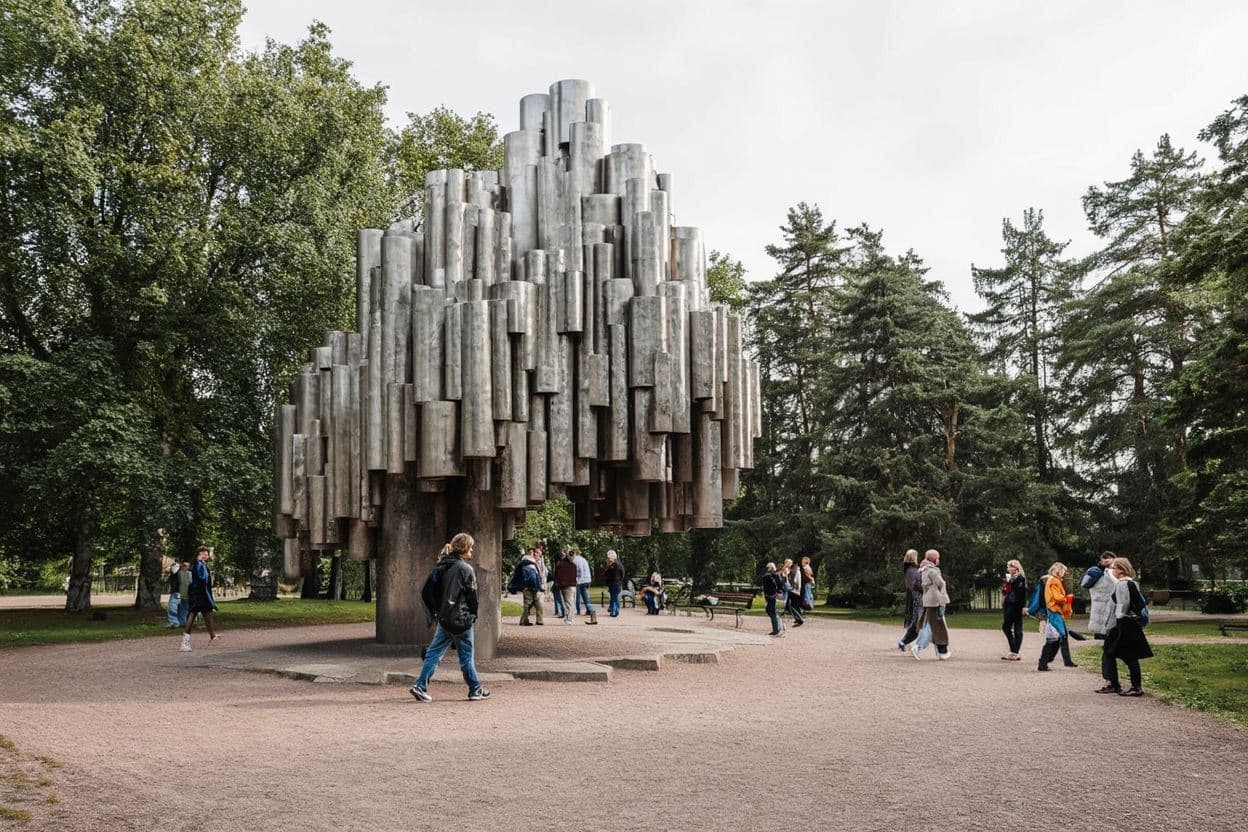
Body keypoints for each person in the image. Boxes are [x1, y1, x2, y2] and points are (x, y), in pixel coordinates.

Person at [409, 532, 489, 702]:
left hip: (444, 620)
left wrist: (436, 612)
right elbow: (472, 597)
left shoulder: (441, 565)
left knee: (434, 653)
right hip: (461, 620)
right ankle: (475, 690)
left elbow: (426, 592)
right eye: (471, 547)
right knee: (466, 657)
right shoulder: (466, 569)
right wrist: (473, 614)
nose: (472, 551)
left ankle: (420, 685)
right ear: (464, 548)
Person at [1097, 557, 1153, 697]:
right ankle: (1127, 685)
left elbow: (1123, 604)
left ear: (1121, 570)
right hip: (1129, 623)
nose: (1112, 570)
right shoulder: (1132, 583)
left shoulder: (1122, 584)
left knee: (1116, 653)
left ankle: (1126, 686)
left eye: (1114, 567)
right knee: (1124, 655)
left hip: (1123, 623)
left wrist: (1118, 619)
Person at [1036, 562, 1078, 671]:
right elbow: (1056, 597)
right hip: (1054, 611)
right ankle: (1044, 662)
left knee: (1057, 637)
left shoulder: (1053, 580)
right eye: (1063, 570)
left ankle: (1045, 661)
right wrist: (1067, 598)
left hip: (1054, 611)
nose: (1064, 573)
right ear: (1058, 570)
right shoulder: (1054, 581)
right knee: (1056, 638)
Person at [912, 549, 951, 660]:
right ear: (934, 558)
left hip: (928, 601)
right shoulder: (932, 570)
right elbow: (940, 583)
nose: (938, 559)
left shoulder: (924, 569)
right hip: (935, 601)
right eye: (937, 557)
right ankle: (918, 646)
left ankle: (941, 652)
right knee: (934, 626)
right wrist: (944, 597)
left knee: (933, 625)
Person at [179, 546, 218, 652]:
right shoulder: (199, 564)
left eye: (207, 553)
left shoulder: (200, 564)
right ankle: (185, 641)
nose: (207, 555)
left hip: (200, 593)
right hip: (199, 594)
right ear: (200, 553)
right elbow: (202, 580)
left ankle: (212, 636)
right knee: (193, 614)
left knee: (207, 612)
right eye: (205, 553)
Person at [1082, 551, 1118, 640]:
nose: (1111, 565)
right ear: (1102, 561)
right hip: (1103, 605)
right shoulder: (1098, 572)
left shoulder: (1108, 572)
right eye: (1108, 562)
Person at [1001, 559, 1028, 661]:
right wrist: (1007, 585)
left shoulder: (1021, 579)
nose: (1010, 568)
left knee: (1017, 628)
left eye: (1011, 566)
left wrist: (1024, 607)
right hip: (1009, 605)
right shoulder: (1010, 579)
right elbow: (1005, 592)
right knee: (1006, 627)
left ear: (1016, 568)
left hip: (1017, 606)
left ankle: (1015, 652)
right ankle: (1014, 650)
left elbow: (1023, 594)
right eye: (1009, 566)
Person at [897, 549, 923, 652]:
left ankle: (906, 642)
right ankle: (905, 641)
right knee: (916, 621)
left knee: (916, 621)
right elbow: (915, 585)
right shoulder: (912, 570)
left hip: (914, 597)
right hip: (915, 597)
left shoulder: (910, 569)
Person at [517, 548, 544, 626]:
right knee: (528, 604)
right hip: (530, 587)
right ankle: (524, 621)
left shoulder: (527, 562)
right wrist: (535, 586)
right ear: (530, 555)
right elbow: (532, 576)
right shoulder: (529, 563)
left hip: (530, 586)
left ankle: (537, 620)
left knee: (535, 604)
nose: (535, 554)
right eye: (534, 553)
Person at [553, 550, 578, 624]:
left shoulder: (560, 565)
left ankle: (568, 619)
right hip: (573, 585)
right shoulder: (573, 564)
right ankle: (570, 617)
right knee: (572, 602)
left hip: (565, 585)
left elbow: (557, 575)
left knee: (568, 603)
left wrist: (558, 583)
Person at [761, 562, 785, 636]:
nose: (767, 569)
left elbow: (778, 585)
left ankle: (777, 629)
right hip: (770, 595)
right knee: (770, 611)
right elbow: (780, 585)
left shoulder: (769, 576)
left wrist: (776, 592)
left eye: (768, 567)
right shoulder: (774, 575)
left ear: (771, 568)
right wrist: (778, 591)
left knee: (771, 611)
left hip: (771, 595)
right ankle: (778, 626)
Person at [571, 547, 595, 617]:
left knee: (578, 596)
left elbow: (580, 571)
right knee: (585, 596)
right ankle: (589, 610)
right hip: (587, 579)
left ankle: (578, 610)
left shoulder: (576, 560)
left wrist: (577, 580)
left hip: (581, 581)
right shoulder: (583, 559)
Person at [603, 550, 625, 617]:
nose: (607, 559)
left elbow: (608, 574)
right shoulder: (619, 563)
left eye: (608, 557)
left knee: (614, 598)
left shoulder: (614, 564)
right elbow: (623, 574)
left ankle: (615, 611)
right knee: (613, 597)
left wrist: (607, 568)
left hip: (614, 584)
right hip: (617, 583)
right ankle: (613, 610)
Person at [786, 559, 805, 627]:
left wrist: (793, 587)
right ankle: (798, 618)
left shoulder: (794, 571)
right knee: (794, 605)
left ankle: (799, 619)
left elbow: (795, 581)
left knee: (791, 606)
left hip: (794, 590)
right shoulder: (795, 571)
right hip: (795, 590)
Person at [166, 563, 182, 628]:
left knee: (172, 608)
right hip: (178, 592)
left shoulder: (179, 573)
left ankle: (174, 622)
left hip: (177, 592)